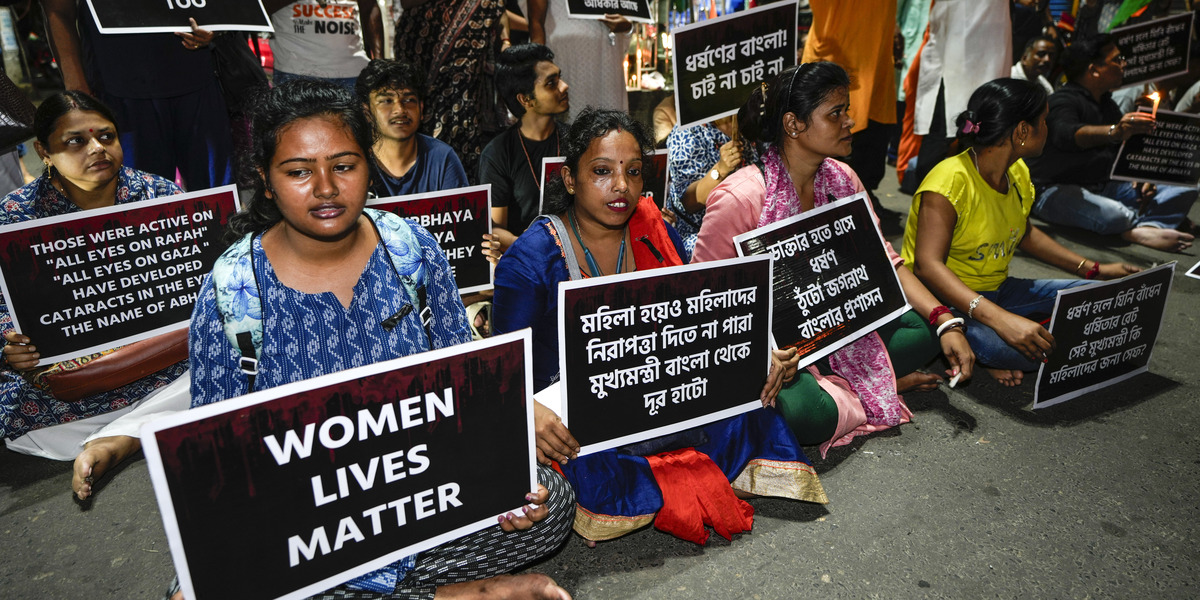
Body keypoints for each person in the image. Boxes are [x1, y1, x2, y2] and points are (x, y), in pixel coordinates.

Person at [180, 80, 572, 600]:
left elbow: (465, 378)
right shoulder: (232, 291)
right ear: (266, 182)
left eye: (344, 165)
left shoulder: (408, 246)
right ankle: (459, 594)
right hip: (310, 523)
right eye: (298, 172)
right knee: (216, 577)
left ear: (368, 164)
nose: (325, 188)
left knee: (551, 504)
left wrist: (496, 480)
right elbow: (220, 460)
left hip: (421, 493)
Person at [493, 108, 828, 544]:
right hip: (577, 422)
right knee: (580, 466)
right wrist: (529, 412)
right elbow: (500, 370)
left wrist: (762, 352)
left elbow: (695, 318)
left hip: (653, 391)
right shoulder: (532, 259)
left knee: (753, 401)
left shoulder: (650, 227)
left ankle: (647, 480)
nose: (621, 187)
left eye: (633, 172)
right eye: (601, 171)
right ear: (570, 179)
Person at [693, 63, 974, 454]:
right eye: (836, 113)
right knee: (811, 417)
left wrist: (946, 321)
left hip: (839, 327)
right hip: (772, 348)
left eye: (847, 109)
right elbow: (705, 302)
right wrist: (766, 352)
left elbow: (888, 263)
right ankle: (873, 382)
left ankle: (853, 381)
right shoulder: (740, 197)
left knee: (924, 330)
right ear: (793, 125)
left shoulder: (843, 179)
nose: (851, 121)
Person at [0, 92, 190, 499]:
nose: (97, 148)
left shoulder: (161, 197)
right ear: (42, 151)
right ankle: (141, 426)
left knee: (227, 357)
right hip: (69, 387)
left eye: (106, 136)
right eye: (75, 141)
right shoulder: (14, 217)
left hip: (162, 368)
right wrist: (10, 348)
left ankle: (120, 441)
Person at [904, 78, 1140, 387]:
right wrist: (1001, 320)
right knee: (1019, 352)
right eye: (1044, 121)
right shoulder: (949, 183)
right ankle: (980, 345)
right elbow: (927, 266)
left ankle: (1002, 342)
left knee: (1099, 301)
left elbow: (1024, 233)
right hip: (946, 303)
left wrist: (1093, 270)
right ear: (1022, 131)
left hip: (998, 290)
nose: (1049, 128)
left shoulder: (1017, 171)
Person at [1028, 34, 1197, 252]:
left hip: (1105, 185)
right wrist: (1114, 132)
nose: (1124, 65)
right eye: (1117, 60)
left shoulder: (1106, 102)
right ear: (1094, 70)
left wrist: (1141, 177)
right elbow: (1068, 134)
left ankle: (1149, 227)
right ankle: (1134, 230)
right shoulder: (1062, 100)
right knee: (1114, 215)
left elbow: (1121, 152)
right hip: (1053, 189)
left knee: (1187, 183)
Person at [42, 0, 234, 189]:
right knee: (137, 205)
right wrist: (77, 88)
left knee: (219, 199)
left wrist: (216, 23)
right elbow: (58, 11)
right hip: (119, 92)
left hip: (197, 78)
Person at [393, 0, 506, 179]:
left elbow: (498, 9)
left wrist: (506, 39)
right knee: (419, 119)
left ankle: (457, 191)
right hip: (422, 44)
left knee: (463, 118)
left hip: (465, 59)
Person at [479, 43, 569, 252]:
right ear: (525, 99)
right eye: (551, 83)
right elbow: (495, 228)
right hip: (525, 256)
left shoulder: (577, 140)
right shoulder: (498, 153)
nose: (564, 86)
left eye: (560, 78)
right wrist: (536, 248)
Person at [355, 59, 469, 197]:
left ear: (421, 108)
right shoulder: (355, 159)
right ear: (367, 112)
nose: (400, 110)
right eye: (387, 101)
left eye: (408, 100)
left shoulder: (442, 157)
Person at [665, 115, 752, 260]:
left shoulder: (750, 121)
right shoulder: (687, 132)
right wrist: (721, 169)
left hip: (747, 229)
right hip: (702, 234)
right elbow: (689, 202)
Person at [523, 0, 631, 112]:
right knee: (572, 116)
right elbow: (536, 22)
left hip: (609, 61)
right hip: (568, 59)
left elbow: (630, 13)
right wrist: (538, 68)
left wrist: (628, 27)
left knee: (611, 118)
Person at [266, 0, 383, 90]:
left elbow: (369, 7)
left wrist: (379, 62)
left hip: (353, 72)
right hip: (296, 72)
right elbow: (259, 6)